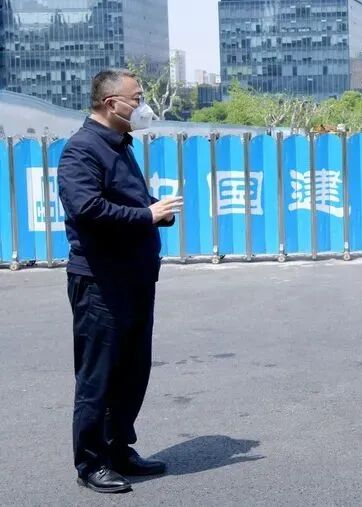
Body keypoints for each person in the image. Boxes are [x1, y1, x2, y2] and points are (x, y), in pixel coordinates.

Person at [58, 69, 182, 494]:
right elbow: (88, 209)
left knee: (132, 370)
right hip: (100, 283)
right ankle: (91, 463)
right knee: (98, 377)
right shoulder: (82, 150)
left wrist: (156, 211)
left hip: (135, 278)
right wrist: (146, 215)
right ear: (112, 104)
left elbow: (126, 200)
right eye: (137, 97)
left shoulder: (120, 145)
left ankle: (118, 448)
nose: (142, 106)